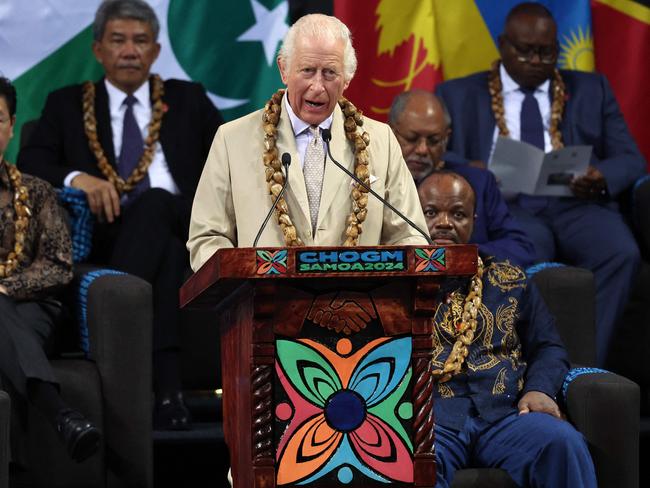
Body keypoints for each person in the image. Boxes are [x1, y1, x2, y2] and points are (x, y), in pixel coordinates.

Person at [18, 0, 224, 430]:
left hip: (186, 224)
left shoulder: (189, 100)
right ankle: (169, 394)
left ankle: (115, 297)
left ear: (155, 50)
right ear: (98, 51)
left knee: (158, 206)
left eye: (140, 41)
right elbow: (31, 163)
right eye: (118, 40)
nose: (129, 50)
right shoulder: (67, 104)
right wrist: (79, 178)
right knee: (164, 254)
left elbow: (226, 164)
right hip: (110, 232)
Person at [435, 2, 646, 367]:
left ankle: (582, 365)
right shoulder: (458, 94)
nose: (536, 60)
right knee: (526, 255)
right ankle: (531, 364)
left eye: (546, 52)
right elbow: (436, 154)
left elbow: (631, 160)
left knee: (620, 251)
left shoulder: (592, 89)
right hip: (509, 206)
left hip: (576, 204)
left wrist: (601, 176)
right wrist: (472, 168)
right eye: (525, 51)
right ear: (503, 46)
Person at [187, 13, 428, 270]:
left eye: (329, 73)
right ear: (283, 70)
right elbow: (207, 238)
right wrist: (242, 279)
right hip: (262, 302)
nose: (317, 86)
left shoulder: (381, 141)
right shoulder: (231, 139)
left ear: (347, 78)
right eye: (308, 71)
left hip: (357, 303)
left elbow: (411, 236)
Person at [418, 170, 596, 487]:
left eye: (457, 214)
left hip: (504, 415)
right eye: (431, 212)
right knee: (417, 461)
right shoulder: (396, 283)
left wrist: (539, 389)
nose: (444, 223)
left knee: (563, 442)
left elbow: (548, 346)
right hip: (432, 419)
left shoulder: (509, 277)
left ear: (473, 220)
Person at [0, 77, 100, 463]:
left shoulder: (37, 190)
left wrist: (5, 290)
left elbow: (58, 266)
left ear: (11, 127)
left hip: (33, 309)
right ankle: (60, 415)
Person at [389, 90, 535, 267]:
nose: (422, 150)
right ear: (391, 132)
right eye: (412, 139)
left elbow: (520, 248)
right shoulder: (374, 181)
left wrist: (460, 256)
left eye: (434, 140)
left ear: (446, 138)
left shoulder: (477, 182)